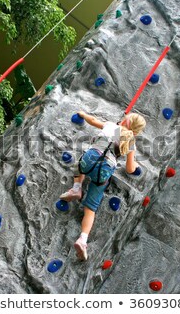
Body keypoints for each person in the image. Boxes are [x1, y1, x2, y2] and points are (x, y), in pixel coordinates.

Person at [60, 111, 146, 261]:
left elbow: (92, 120)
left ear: (125, 121)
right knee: (91, 208)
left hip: (88, 160)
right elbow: (130, 169)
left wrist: (83, 114)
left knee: (79, 164)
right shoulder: (131, 142)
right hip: (104, 171)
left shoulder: (111, 125)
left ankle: (76, 187)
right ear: (136, 131)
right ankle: (83, 239)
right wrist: (137, 167)